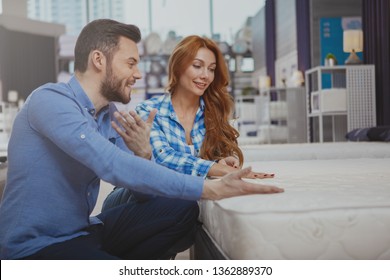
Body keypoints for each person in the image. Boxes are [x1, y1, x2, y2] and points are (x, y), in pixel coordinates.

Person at [0, 19, 283, 260]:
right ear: (98, 60)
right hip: (35, 249)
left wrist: (143, 154)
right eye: (131, 63)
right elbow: (110, 164)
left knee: (180, 210)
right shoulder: (50, 101)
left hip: (84, 231)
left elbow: (144, 194)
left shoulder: (110, 116)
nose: (137, 74)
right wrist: (211, 188)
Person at [102, 35, 275, 210]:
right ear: (178, 68)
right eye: (197, 66)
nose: (205, 76)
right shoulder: (150, 110)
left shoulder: (212, 114)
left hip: (172, 205)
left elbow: (211, 162)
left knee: (184, 207)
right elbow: (162, 158)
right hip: (132, 195)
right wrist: (216, 168)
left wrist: (223, 160)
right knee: (178, 202)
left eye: (211, 69)